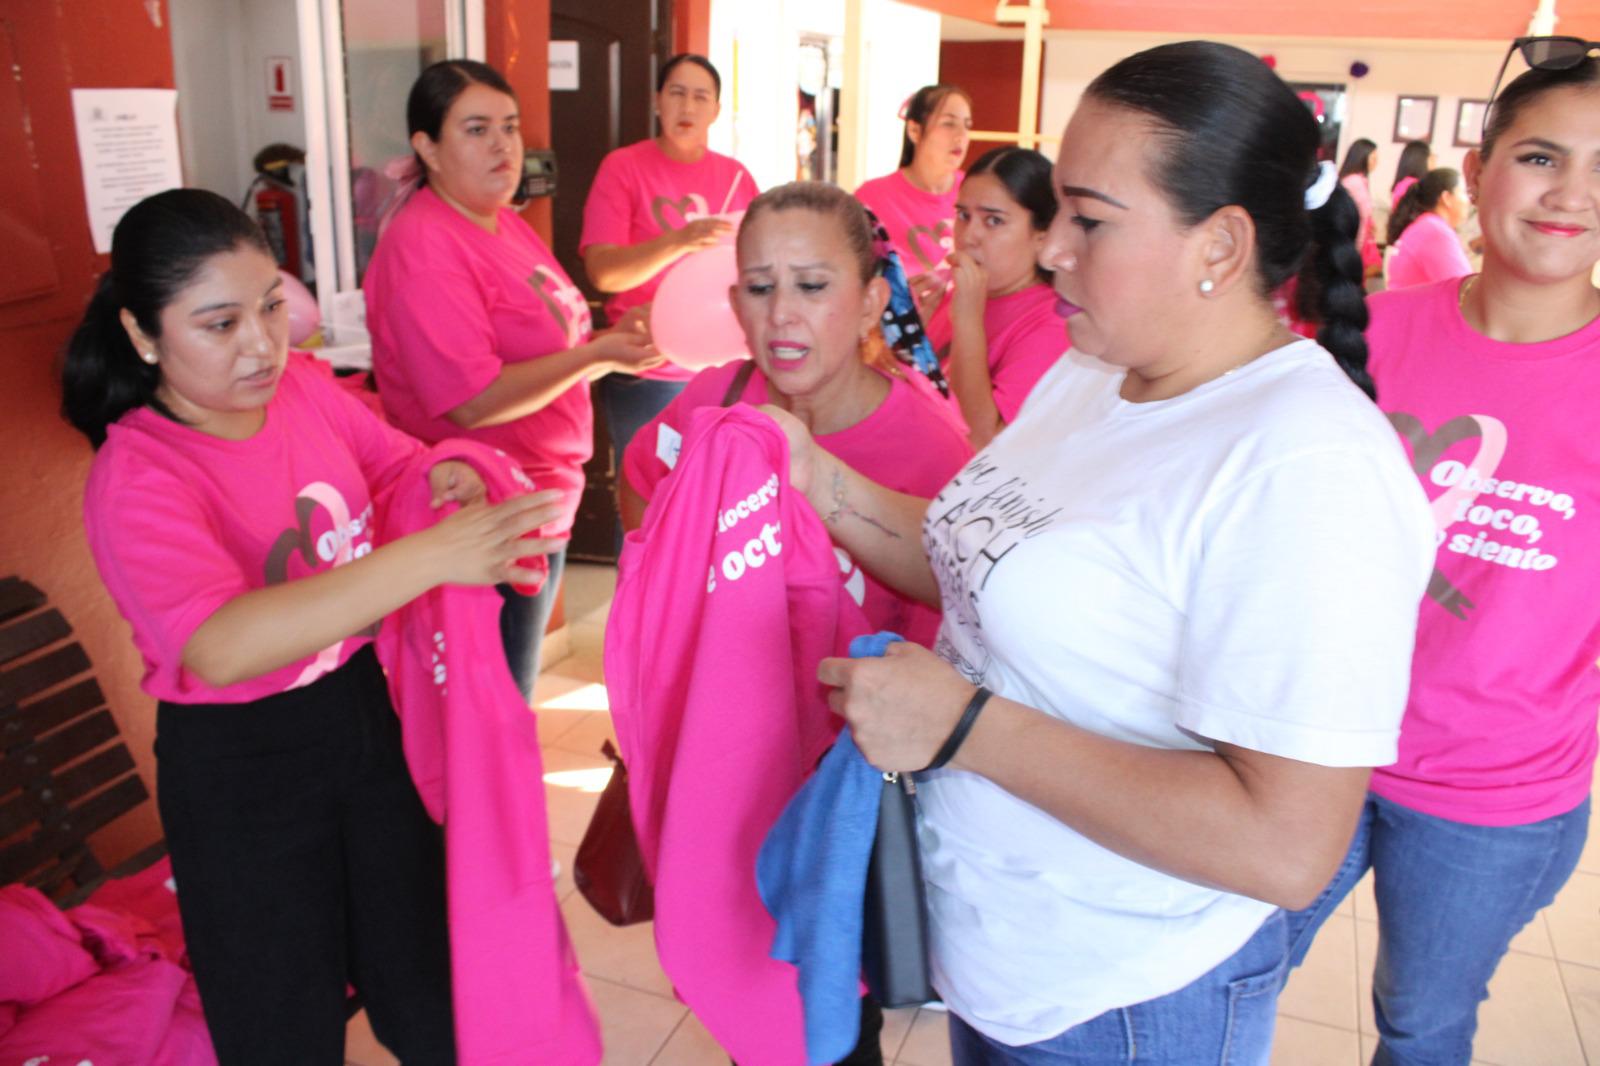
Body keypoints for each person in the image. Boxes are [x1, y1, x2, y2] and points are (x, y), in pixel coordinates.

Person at [767, 41, 1435, 1064]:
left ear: (1218, 244)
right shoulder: (1098, 369)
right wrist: (817, 479)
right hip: (1002, 959)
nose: (1050, 252)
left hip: (1125, 1001)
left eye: (1087, 220)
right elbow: (976, 557)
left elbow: (1286, 846)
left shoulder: (1305, 467)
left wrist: (961, 725)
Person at [60, 189, 563, 1065]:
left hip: (361, 718)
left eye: (268, 306)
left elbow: (401, 461)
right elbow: (218, 644)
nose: (261, 342)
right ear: (143, 336)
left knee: (425, 977)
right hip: (242, 765)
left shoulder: (301, 390)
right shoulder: (139, 473)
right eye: (218, 324)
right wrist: (429, 558)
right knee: (280, 1014)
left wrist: (449, 478)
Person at [1286, 47, 1600, 1065]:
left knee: (1419, 1023)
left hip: (1491, 797)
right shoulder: (1363, 331)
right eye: (1543, 157)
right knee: (1222, 971)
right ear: (1478, 170)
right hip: (1310, 746)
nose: (1570, 196)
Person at [364, 59, 662, 699]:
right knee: (487, 715)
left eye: (510, 127)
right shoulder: (426, 247)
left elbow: (544, 333)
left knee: (507, 699)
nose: (503, 146)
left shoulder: (500, 221)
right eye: (476, 129)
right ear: (428, 147)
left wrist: (607, 334)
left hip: (537, 499)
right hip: (481, 511)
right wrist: (596, 357)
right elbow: (471, 400)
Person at [620, 181, 972, 651]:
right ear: (736, 304)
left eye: (811, 286)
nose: (782, 312)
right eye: (761, 287)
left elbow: (944, 642)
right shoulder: (713, 399)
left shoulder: (932, 452)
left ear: (870, 303)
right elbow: (639, 480)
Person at [580, 53, 758, 465]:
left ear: (715, 110)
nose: (688, 107)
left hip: (723, 371)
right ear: (657, 101)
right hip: (647, 367)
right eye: (677, 93)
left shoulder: (736, 177)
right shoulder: (623, 167)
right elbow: (604, 273)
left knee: (713, 496)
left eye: (701, 97)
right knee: (650, 499)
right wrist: (679, 241)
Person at [945, 145, 1069, 448]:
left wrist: (967, 320)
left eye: (994, 221)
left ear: (1042, 237)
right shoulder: (960, 295)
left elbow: (982, 441)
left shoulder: (1053, 324)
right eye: (963, 215)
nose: (968, 236)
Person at [855, 84, 972, 331]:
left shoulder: (975, 193)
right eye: (948, 123)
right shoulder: (872, 198)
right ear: (914, 130)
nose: (961, 135)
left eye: (967, 125)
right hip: (895, 340)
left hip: (963, 340)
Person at [1385, 167, 1472, 289]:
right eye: (1463, 192)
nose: (1469, 200)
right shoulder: (1435, 232)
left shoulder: (1426, 225)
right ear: (1446, 198)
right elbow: (1464, 292)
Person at [1339, 137, 1383, 276]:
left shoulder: (1356, 180)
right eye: (1373, 157)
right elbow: (1360, 215)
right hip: (1354, 243)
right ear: (1362, 157)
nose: (1376, 162)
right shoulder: (1355, 182)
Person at [1390, 139, 1434, 209]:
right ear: (1421, 160)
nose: (1434, 163)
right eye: (1431, 158)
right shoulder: (1413, 186)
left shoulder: (1406, 182)